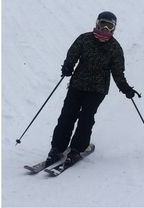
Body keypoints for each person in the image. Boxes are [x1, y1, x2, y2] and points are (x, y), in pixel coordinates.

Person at [45, 11, 137, 167]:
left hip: (97, 90)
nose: (105, 29)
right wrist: (68, 66)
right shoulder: (85, 39)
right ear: (97, 23)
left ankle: (76, 149)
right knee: (67, 115)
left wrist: (125, 88)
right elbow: (72, 54)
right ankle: (57, 148)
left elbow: (118, 72)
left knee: (86, 118)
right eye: (103, 24)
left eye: (110, 26)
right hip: (77, 85)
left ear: (114, 28)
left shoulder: (115, 48)